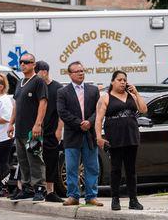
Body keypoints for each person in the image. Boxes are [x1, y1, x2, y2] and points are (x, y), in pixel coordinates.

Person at [96, 70, 147, 210]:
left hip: (131, 136)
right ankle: (115, 199)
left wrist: (136, 93)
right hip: (115, 137)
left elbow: (143, 109)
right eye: (120, 80)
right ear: (113, 81)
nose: (123, 82)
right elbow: (99, 119)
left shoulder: (131, 95)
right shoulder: (106, 97)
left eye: (125, 80)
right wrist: (99, 137)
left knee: (131, 170)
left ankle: (133, 199)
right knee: (116, 169)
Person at [57, 61, 102, 207]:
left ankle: (91, 196)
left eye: (82, 70)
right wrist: (79, 123)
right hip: (72, 134)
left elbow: (99, 110)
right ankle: (73, 195)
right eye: (77, 71)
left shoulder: (93, 90)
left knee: (92, 166)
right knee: (71, 167)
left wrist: (89, 122)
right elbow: (62, 112)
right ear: (70, 74)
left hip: (89, 135)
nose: (80, 73)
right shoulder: (63, 92)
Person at [8, 53, 48, 201]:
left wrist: (38, 124)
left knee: (35, 159)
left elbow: (43, 103)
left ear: (33, 64)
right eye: (21, 62)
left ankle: (39, 188)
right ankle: (26, 188)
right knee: (23, 159)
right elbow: (16, 105)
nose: (23, 64)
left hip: (33, 131)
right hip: (20, 129)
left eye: (27, 62)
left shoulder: (38, 81)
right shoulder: (20, 82)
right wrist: (11, 123)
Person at [35, 60, 64, 203]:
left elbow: (61, 112)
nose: (35, 75)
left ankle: (50, 191)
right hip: (35, 131)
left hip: (51, 131)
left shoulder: (57, 88)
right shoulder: (34, 86)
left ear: (44, 72)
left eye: (37, 72)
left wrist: (59, 129)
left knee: (51, 161)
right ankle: (35, 189)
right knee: (34, 160)